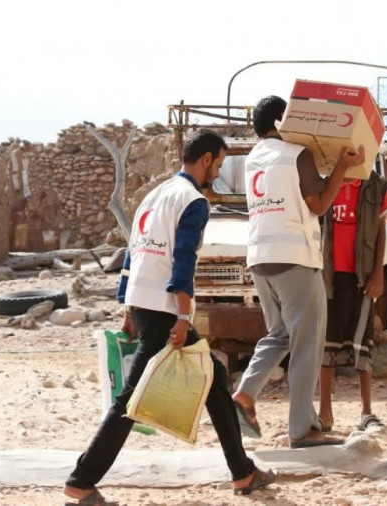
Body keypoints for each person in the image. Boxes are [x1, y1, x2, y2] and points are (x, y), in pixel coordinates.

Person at [63, 130, 275, 506]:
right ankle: (80, 482)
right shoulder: (193, 201)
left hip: (144, 304)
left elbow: (134, 252)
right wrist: (182, 315)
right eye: (219, 165)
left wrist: (128, 308)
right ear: (206, 159)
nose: (217, 173)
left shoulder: (155, 195)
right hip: (164, 310)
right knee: (130, 402)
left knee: (214, 376)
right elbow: (183, 260)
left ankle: (242, 471)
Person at [231, 95, 365, 448]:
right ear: (280, 121)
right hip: (295, 259)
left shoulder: (253, 159)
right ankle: (302, 430)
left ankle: (245, 393)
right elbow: (318, 204)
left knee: (279, 335)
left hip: (260, 258)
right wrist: (342, 166)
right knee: (307, 344)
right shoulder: (296, 154)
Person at [318, 170, 387, 433]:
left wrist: (378, 273)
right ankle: (325, 412)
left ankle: (366, 411)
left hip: (362, 277)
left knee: (363, 343)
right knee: (327, 343)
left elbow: (381, 232)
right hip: (329, 277)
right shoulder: (326, 183)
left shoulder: (376, 186)